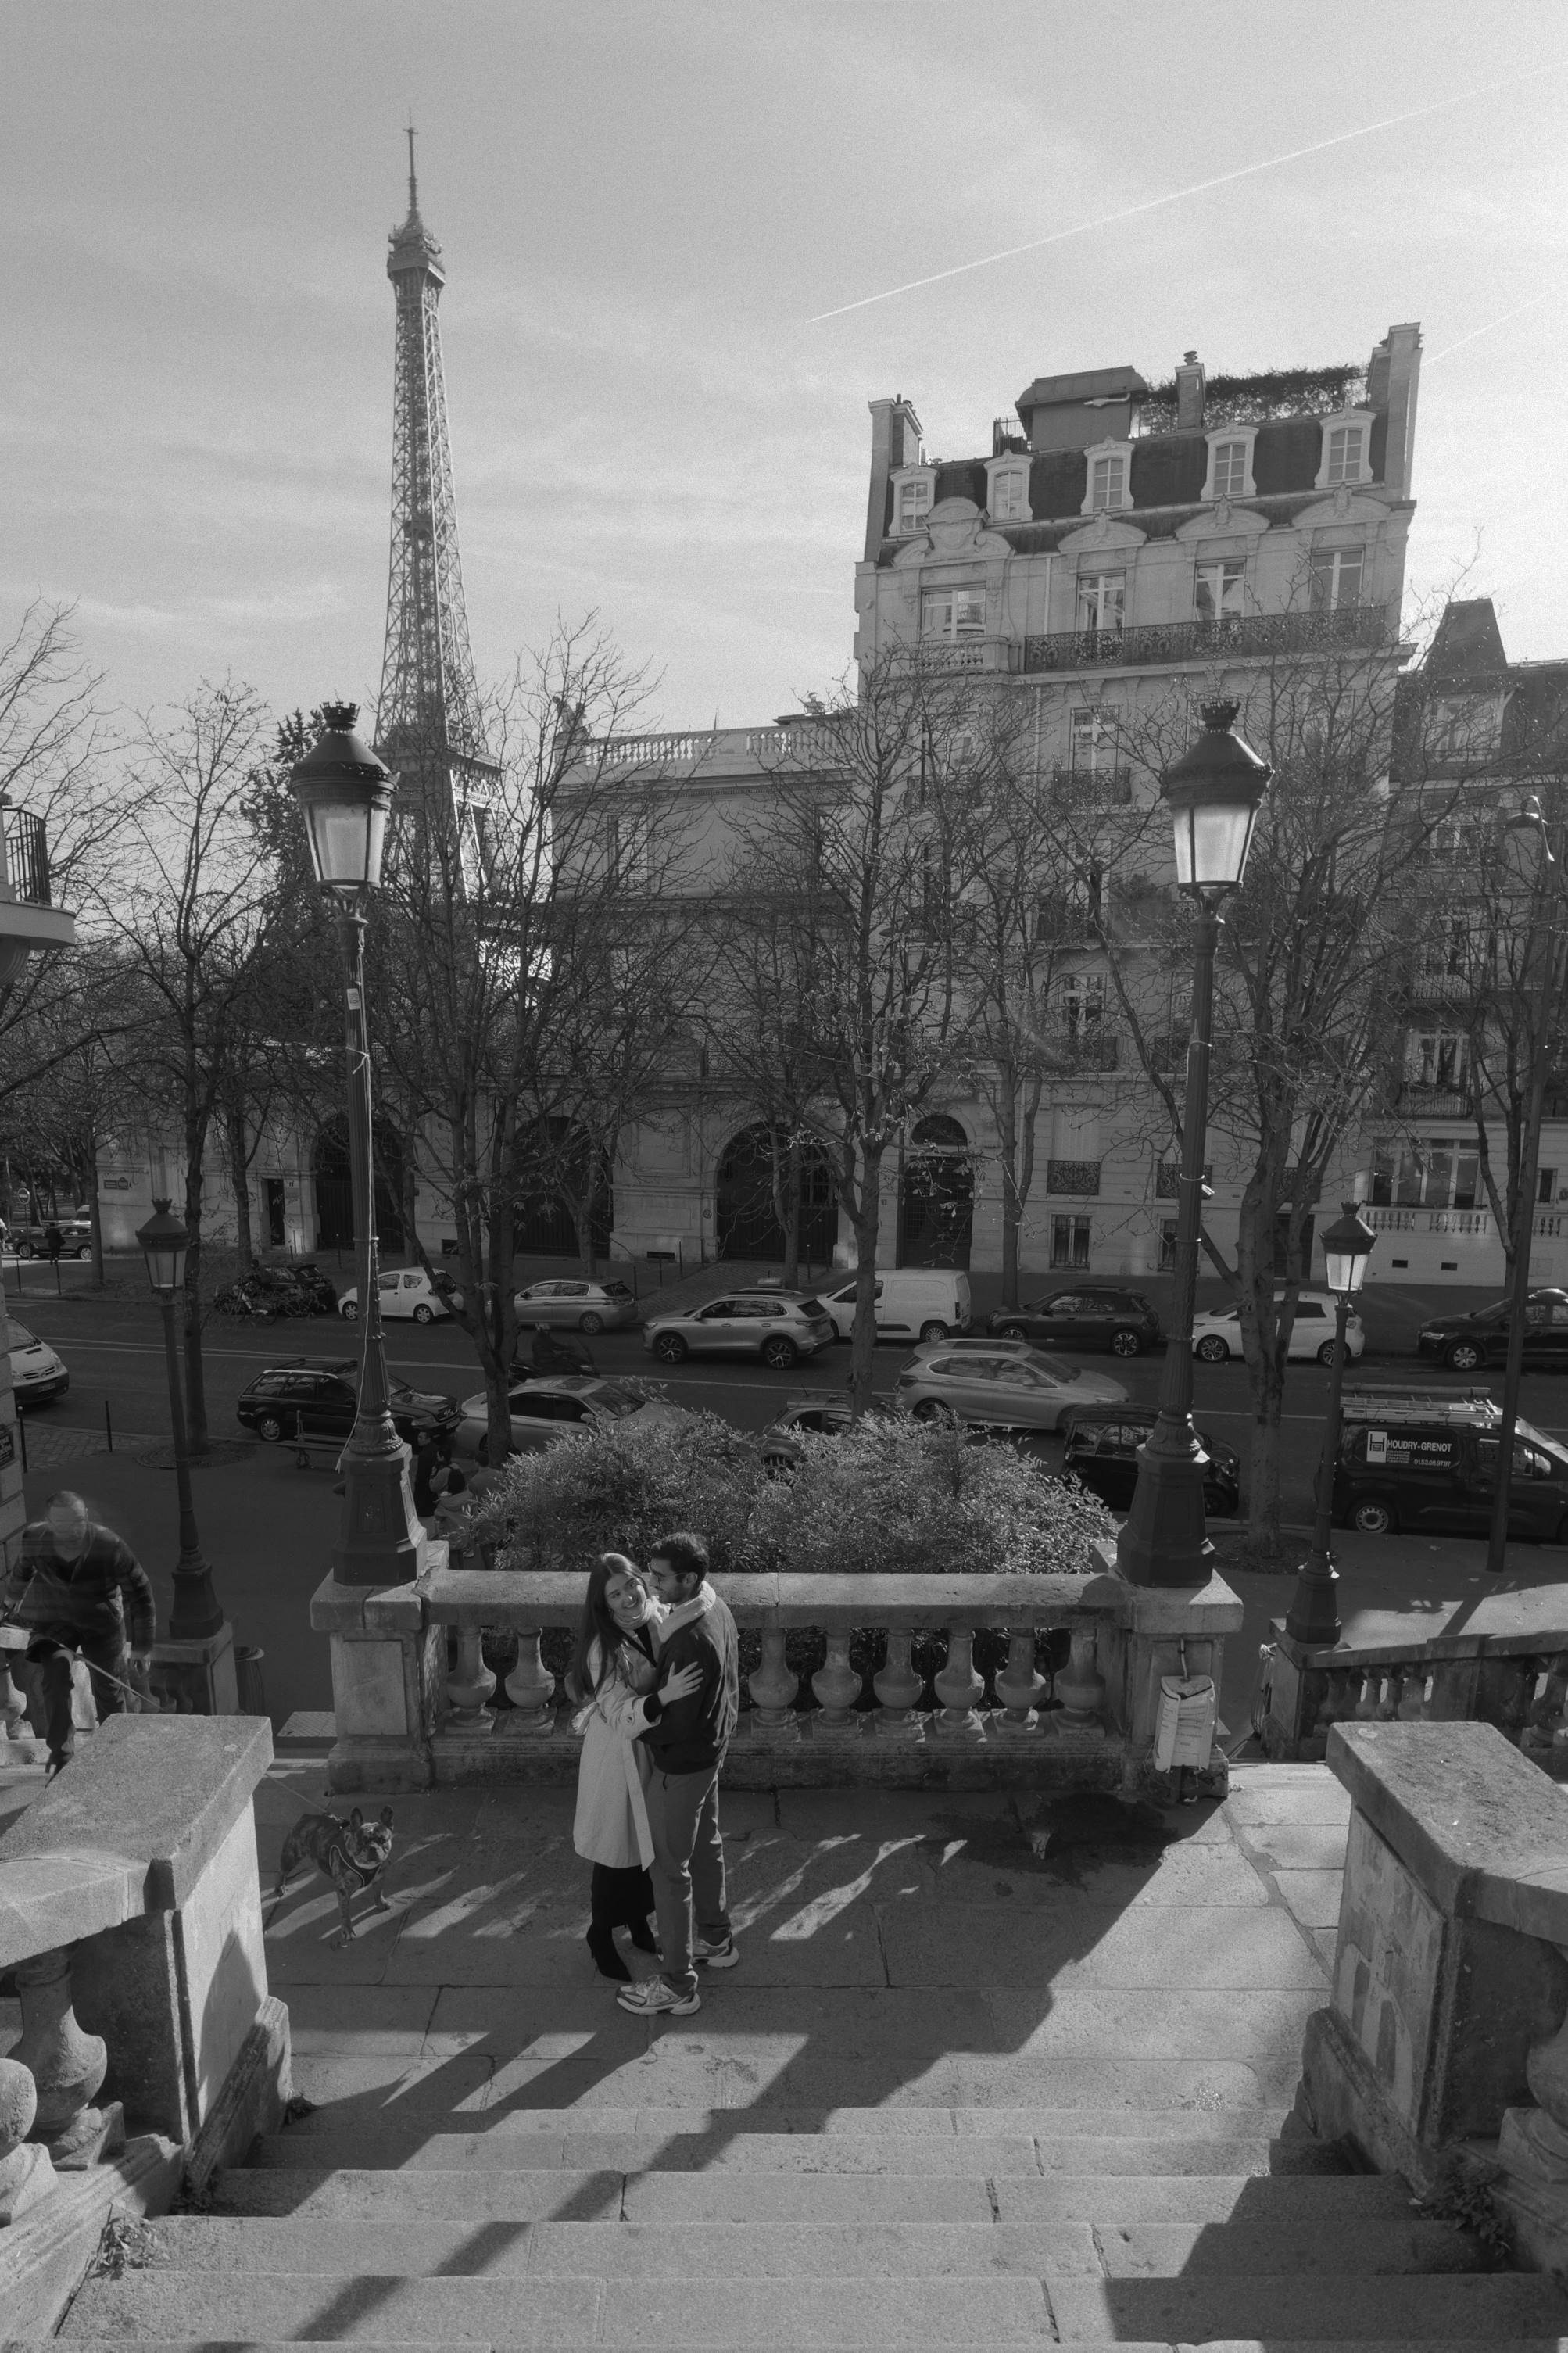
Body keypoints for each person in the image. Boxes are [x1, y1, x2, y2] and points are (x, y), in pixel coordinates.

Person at [616, 1529, 740, 2019]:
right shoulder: (716, 1607)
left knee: (669, 1871)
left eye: (661, 1577)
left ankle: (677, 1985)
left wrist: (631, 1724)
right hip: (711, 1751)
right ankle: (716, 1939)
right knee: (706, 1844)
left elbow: (674, 1723)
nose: (651, 1584)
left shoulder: (688, 1640)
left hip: (682, 1764)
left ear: (688, 1579)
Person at [571, 1553, 705, 1982]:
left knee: (651, 1848)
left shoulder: (660, 1615)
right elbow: (615, 1711)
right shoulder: (602, 1647)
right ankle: (599, 1935)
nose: (628, 1597)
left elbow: (700, 1596)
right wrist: (664, 1697)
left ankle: (638, 1922)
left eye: (631, 1584)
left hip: (654, 1751)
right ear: (604, 1603)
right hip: (617, 1756)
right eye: (616, 1594)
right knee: (617, 1853)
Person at [2, 1490, 156, 1778]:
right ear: (49, 1523)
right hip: (55, 1621)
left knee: (109, 1691)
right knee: (54, 1679)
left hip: (102, 1622)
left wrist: (143, 1646)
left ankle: (116, 1755)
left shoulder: (110, 1546)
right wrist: (11, 1599)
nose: (72, 1531)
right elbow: (23, 1569)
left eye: (78, 1522)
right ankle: (62, 1757)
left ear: (85, 1517)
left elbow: (141, 1593)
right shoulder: (35, 1538)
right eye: (62, 1525)